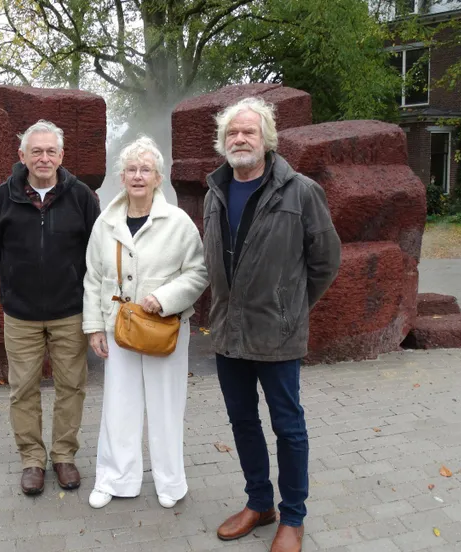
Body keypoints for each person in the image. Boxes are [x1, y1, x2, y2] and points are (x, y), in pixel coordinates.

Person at [202, 97, 341, 552]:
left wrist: (291, 306)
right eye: (233, 133)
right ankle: (260, 504)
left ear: (267, 139)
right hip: (228, 333)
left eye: (249, 132)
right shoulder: (214, 192)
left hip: (278, 335)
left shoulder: (300, 191)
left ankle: (293, 517)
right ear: (224, 142)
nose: (240, 139)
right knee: (242, 421)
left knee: (288, 426)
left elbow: (325, 261)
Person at [83, 136, 208, 510]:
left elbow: (198, 273)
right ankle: (115, 479)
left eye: (146, 170)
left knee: (166, 405)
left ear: (158, 177)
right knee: (119, 405)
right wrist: (93, 326)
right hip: (118, 328)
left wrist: (165, 298)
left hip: (164, 327)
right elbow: (92, 277)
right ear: (122, 177)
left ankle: (170, 483)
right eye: (132, 170)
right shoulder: (105, 223)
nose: (138, 176)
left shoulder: (178, 222)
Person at [0, 120, 101, 495]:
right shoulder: (4, 196)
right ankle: (32, 460)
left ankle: (64, 456)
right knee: (23, 390)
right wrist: (16, 283)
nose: (44, 157)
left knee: (72, 386)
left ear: (62, 156)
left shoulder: (81, 196)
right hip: (20, 314)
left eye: (51, 151)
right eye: (36, 151)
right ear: (22, 156)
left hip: (70, 311)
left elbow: (95, 252)